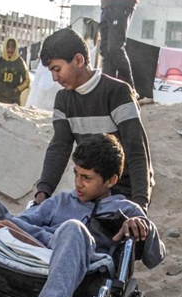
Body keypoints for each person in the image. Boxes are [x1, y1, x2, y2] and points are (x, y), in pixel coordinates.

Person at [0, 134, 165, 297]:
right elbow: (17, 223)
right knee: (14, 227)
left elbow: (155, 256)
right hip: (39, 257)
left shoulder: (126, 210)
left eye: (87, 178)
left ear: (111, 181)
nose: (78, 183)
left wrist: (144, 226)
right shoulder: (61, 201)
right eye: (76, 173)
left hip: (89, 275)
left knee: (73, 229)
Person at [34, 27, 154, 212]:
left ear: (79, 60)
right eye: (51, 71)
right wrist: (43, 192)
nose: (54, 77)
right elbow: (59, 147)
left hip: (124, 190)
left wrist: (140, 206)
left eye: (57, 69)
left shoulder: (117, 92)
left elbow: (137, 150)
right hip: (91, 189)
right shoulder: (63, 100)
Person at [99, 0, 138, 90]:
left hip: (122, 0)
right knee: (106, 51)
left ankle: (130, 90)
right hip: (107, 3)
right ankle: (107, 92)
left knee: (115, 47)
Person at [0, 37, 30, 105]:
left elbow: (27, 80)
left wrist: (18, 89)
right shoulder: (0, 62)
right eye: (8, 46)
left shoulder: (19, 62)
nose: (10, 49)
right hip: (2, 100)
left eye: (13, 47)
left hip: (15, 100)